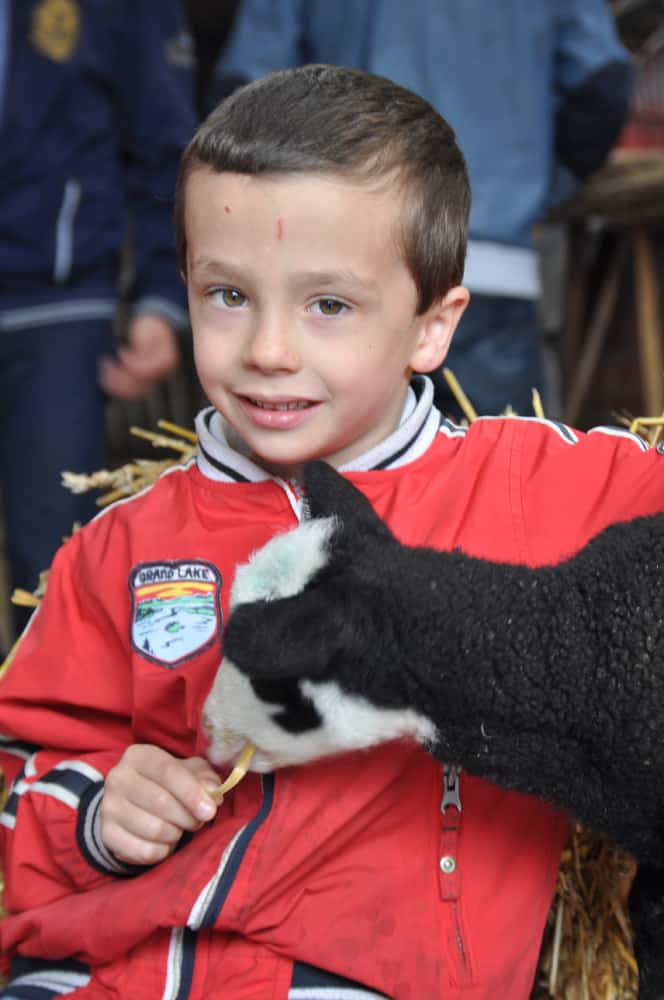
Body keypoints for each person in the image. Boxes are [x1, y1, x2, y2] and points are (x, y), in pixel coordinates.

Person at [0, 65, 662, 999]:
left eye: (329, 306)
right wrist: (100, 812)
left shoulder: (530, 485)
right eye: (228, 296)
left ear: (432, 327)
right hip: (104, 975)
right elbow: (28, 766)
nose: (269, 351)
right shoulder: (121, 545)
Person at [213, 0, 634, 419]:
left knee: (337, 456)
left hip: (340, 274)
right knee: (498, 455)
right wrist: (540, 183)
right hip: (493, 260)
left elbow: (249, 94)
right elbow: (601, 83)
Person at [0, 0, 196, 636]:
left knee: (52, 564)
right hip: (56, 297)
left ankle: (49, 703)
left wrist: (162, 297)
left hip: (57, 306)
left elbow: (166, 141)